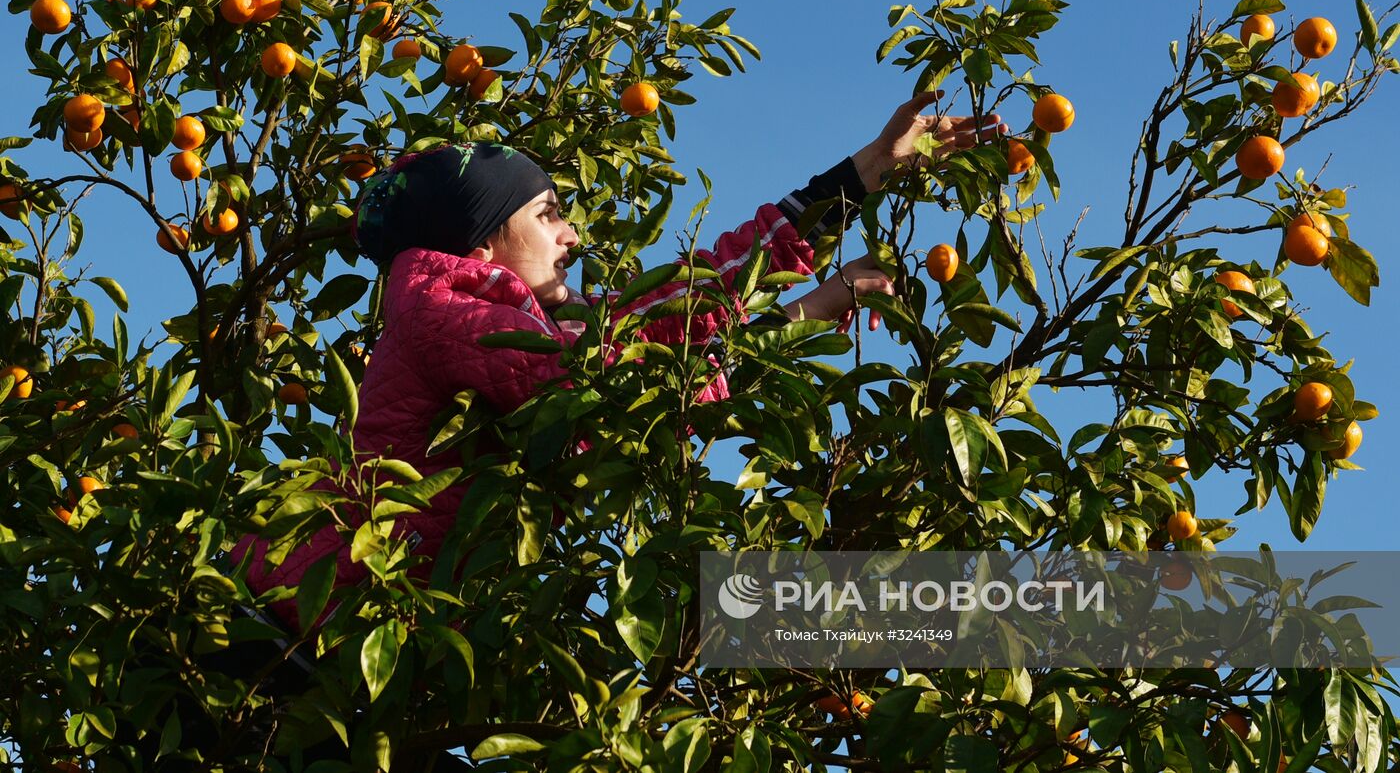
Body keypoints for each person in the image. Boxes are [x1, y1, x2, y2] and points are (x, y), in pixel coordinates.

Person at [232, 92, 1002, 630]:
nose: (573, 235)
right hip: (291, 632)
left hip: (386, 642)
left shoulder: (510, 320)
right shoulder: (442, 315)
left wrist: (868, 168)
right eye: (548, 214)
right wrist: (804, 315)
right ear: (481, 242)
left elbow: (686, 303)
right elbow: (613, 387)